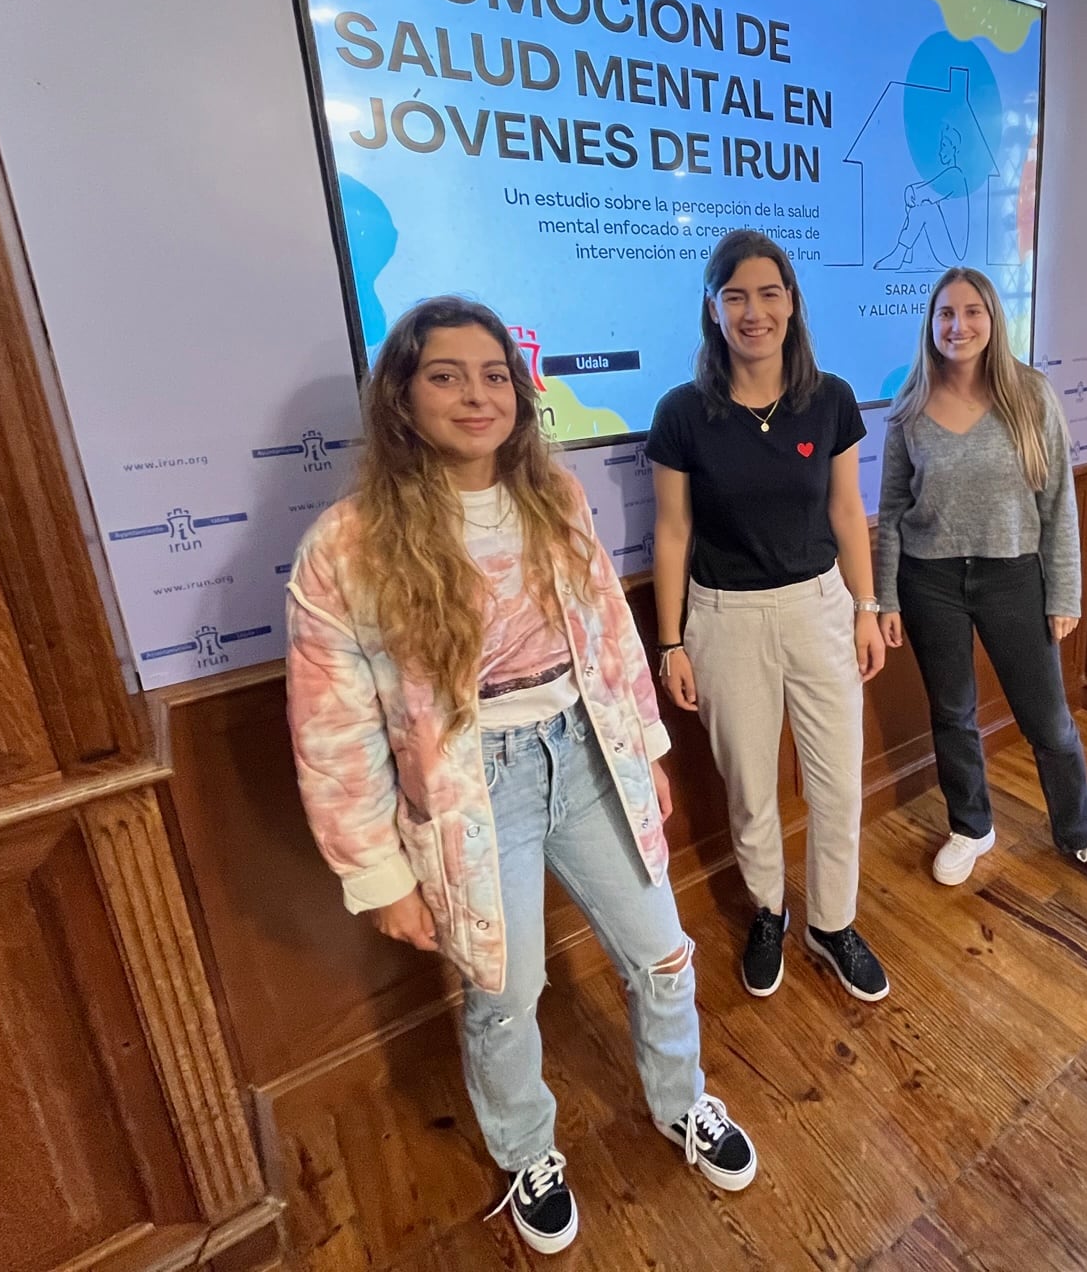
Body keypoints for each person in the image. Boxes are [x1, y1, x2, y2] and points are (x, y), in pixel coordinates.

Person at [285, 297, 755, 1258]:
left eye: (495, 374)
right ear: (402, 397)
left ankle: (684, 1101)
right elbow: (330, 731)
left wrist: (647, 753)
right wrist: (380, 877)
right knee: (503, 990)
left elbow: (609, 637)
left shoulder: (557, 495)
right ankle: (526, 1150)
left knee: (664, 953)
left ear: (521, 391)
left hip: (584, 750)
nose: (476, 394)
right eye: (446, 375)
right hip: (470, 785)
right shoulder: (347, 545)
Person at [648, 230, 892, 1004]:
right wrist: (671, 640)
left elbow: (849, 512)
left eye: (770, 293)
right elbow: (672, 532)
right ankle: (769, 911)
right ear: (712, 310)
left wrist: (866, 607)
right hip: (724, 621)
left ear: (792, 304)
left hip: (821, 607)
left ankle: (832, 922)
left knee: (837, 785)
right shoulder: (684, 412)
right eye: (737, 296)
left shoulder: (831, 397)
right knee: (751, 789)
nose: (755, 312)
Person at [876, 268, 1087, 898]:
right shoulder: (908, 407)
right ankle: (972, 826)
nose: (957, 326)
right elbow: (889, 513)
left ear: (993, 319)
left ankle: (1082, 833)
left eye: (972, 312)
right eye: (945, 313)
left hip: (1013, 576)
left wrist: (1065, 593)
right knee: (953, 714)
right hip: (929, 579)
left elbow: (1058, 504)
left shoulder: (1031, 395)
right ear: (930, 323)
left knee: (1048, 721)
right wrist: (885, 596)